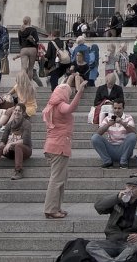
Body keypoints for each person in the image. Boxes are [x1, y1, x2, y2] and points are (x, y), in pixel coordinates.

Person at [86, 174, 137, 262]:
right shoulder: (117, 202)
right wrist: (117, 198)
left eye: (134, 187)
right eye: (128, 186)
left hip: (130, 243)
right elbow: (98, 207)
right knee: (91, 246)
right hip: (113, 241)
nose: (131, 189)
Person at [43, 72, 86, 219]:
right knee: (56, 179)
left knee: (60, 179)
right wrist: (79, 92)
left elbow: (64, 88)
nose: (69, 93)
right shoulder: (60, 105)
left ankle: (56, 207)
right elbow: (69, 109)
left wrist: (71, 78)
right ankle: (50, 209)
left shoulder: (52, 104)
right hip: (59, 146)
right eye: (68, 93)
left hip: (53, 146)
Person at [92, 99, 137, 168]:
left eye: (119, 108)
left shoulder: (128, 118)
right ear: (112, 108)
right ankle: (107, 161)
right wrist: (108, 124)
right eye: (115, 108)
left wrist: (122, 123)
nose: (117, 110)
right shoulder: (108, 118)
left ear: (123, 108)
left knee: (132, 136)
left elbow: (134, 132)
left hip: (124, 149)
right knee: (95, 138)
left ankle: (123, 162)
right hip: (111, 148)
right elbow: (98, 133)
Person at [15, 16, 44, 86]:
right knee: (30, 68)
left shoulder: (20, 31)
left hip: (24, 49)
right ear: (29, 21)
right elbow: (37, 40)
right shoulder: (33, 30)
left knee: (23, 68)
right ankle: (29, 84)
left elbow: (20, 42)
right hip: (32, 49)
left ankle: (21, 84)